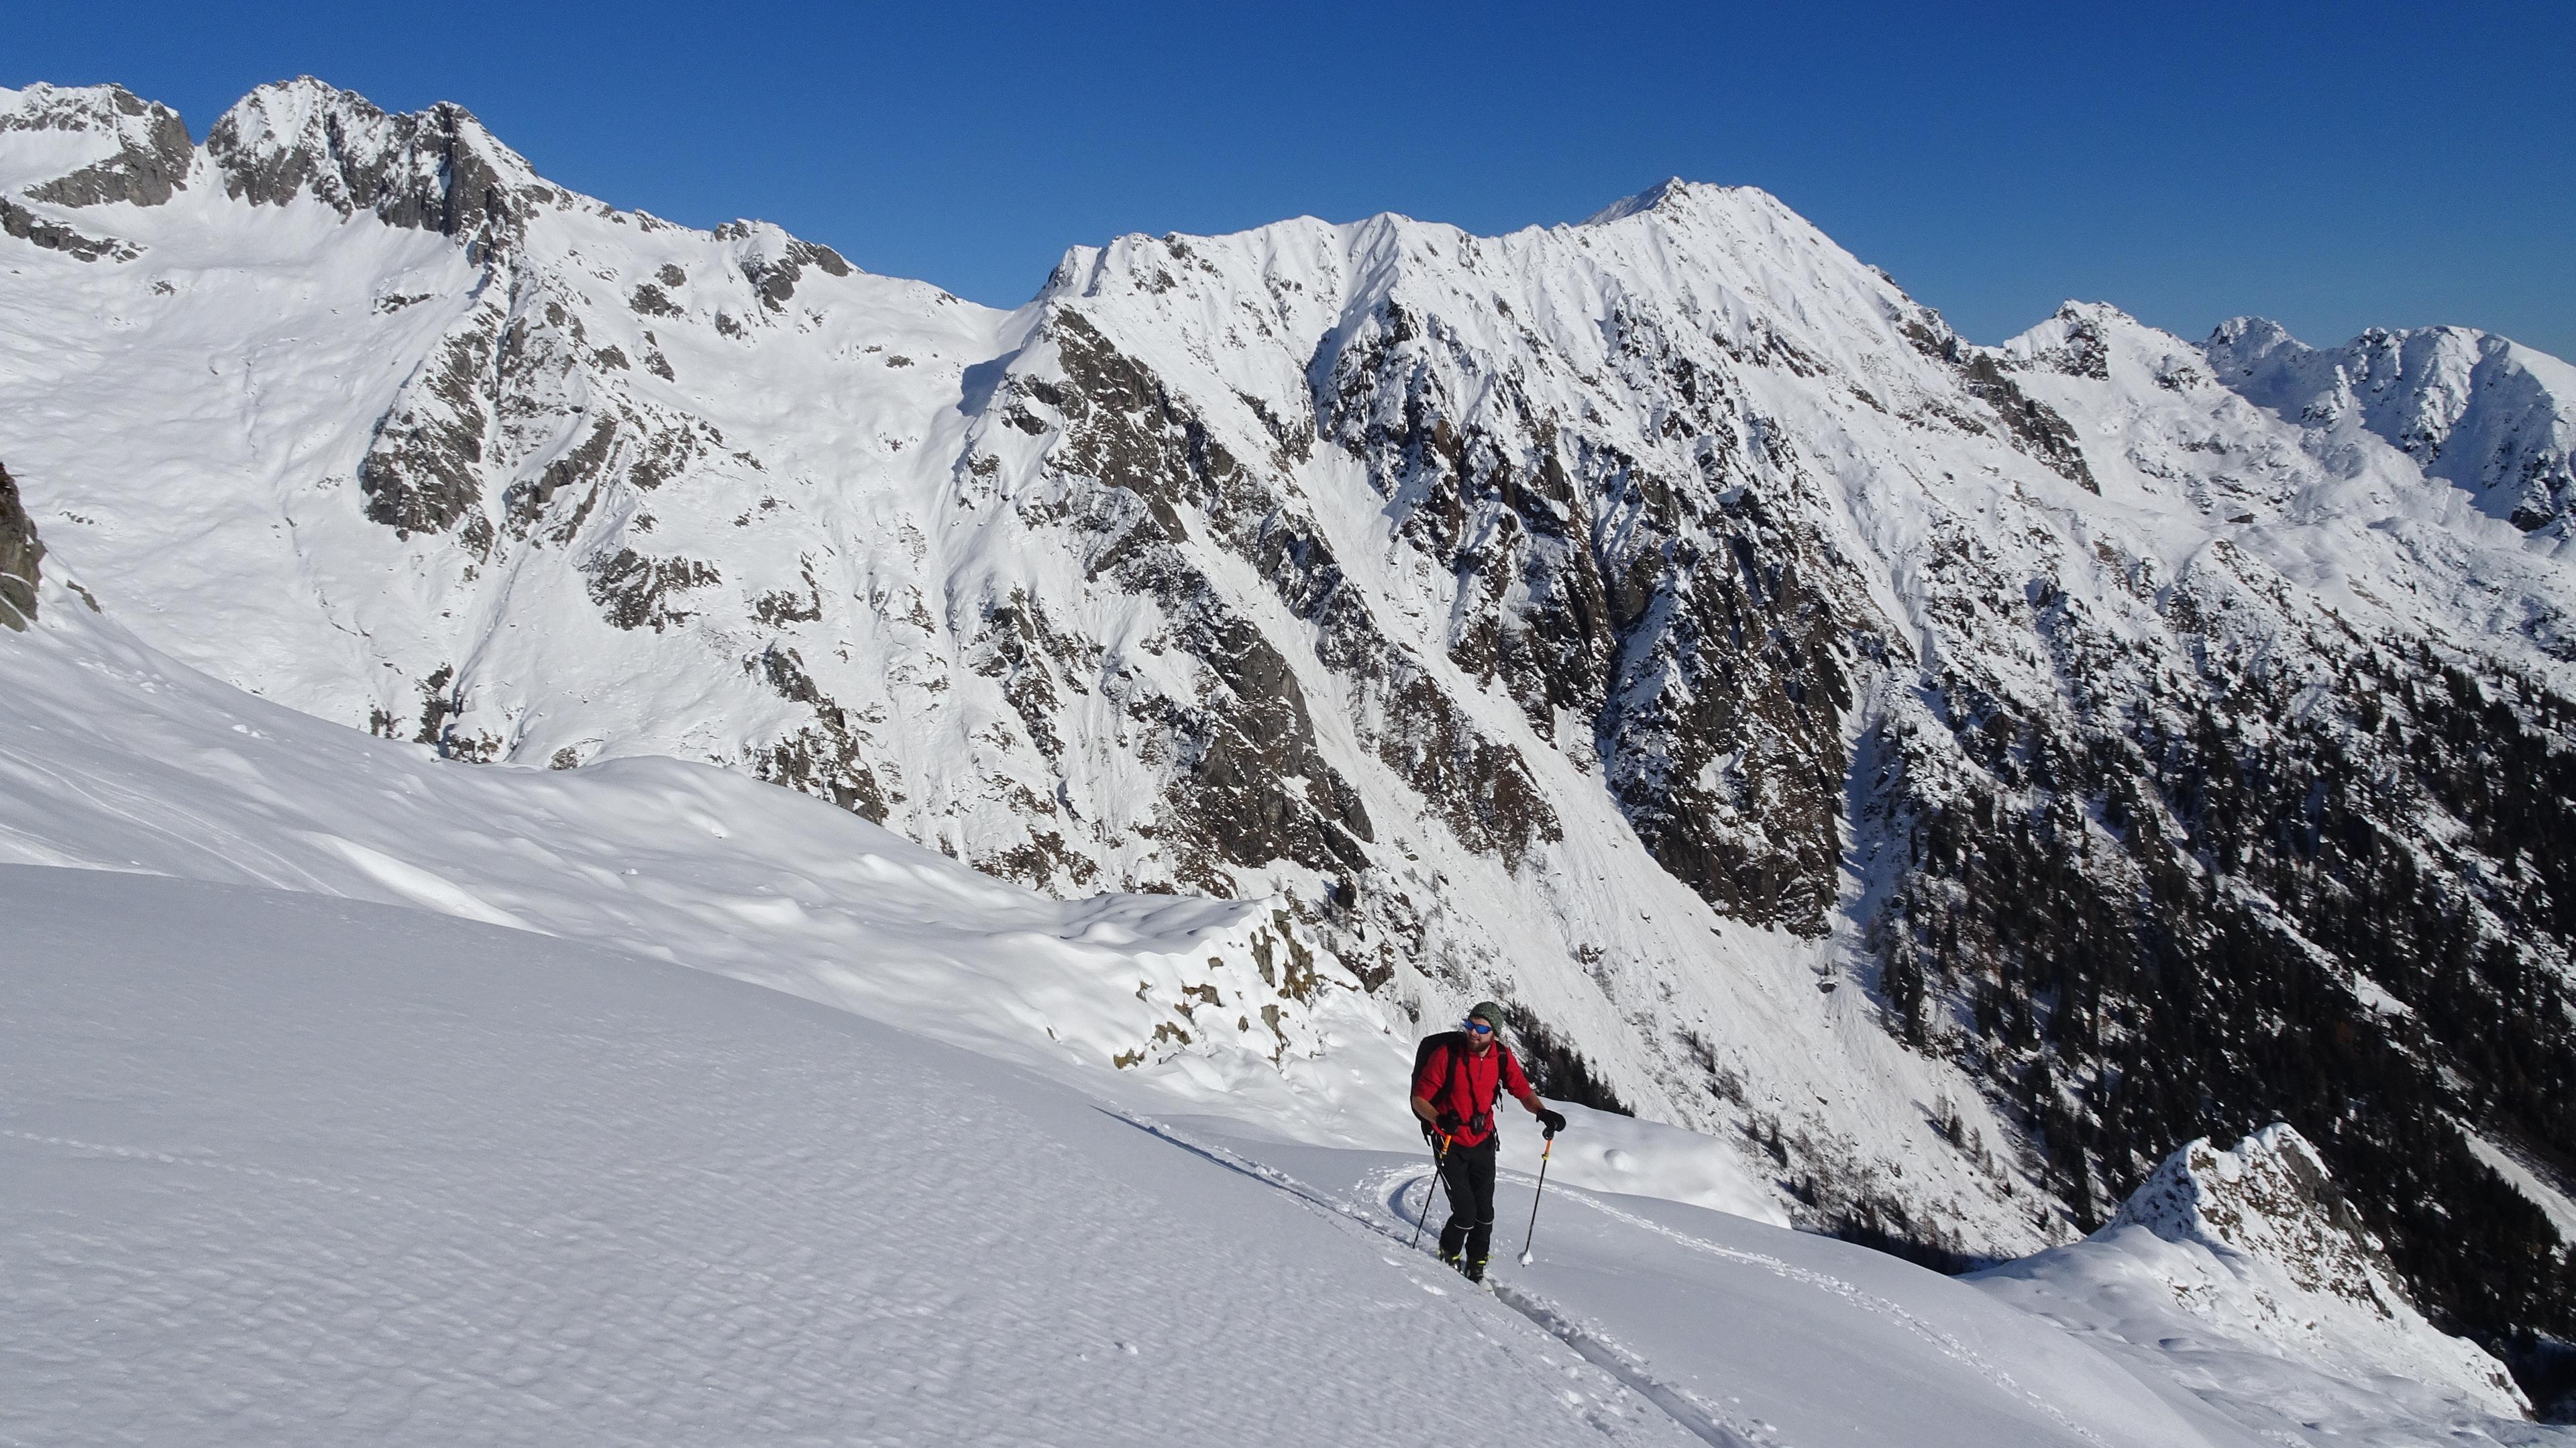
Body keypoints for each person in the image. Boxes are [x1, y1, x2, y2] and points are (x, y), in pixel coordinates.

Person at [1410, 1000, 1566, 1281]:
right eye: (1470, 1025)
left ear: (1494, 1033)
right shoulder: (1447, 1055)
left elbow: (1522, 1091)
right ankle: (1449, 1252)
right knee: (1465, 1213)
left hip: (1483, 1142)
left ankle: (1477, 1264)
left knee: (1485, 1212)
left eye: (1481, 1028)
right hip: (1450, 1143)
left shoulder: (1502, 1057)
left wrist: (1543, 1112)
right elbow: (1419, 1099)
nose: (1473, 1032)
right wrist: (1438, 1120)